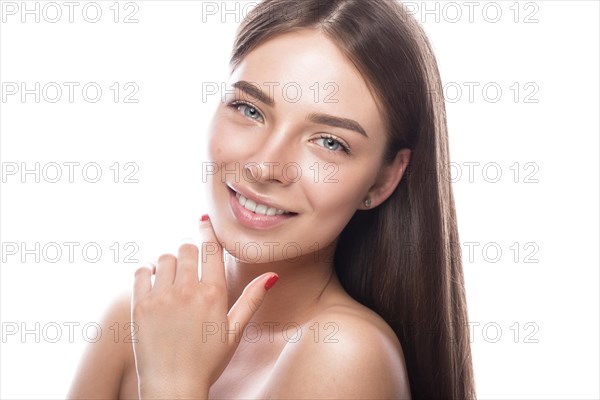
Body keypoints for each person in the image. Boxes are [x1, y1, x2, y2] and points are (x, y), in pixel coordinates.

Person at [68, 0, 475, 398]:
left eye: (329, 142)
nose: (265, 166)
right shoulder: (142, 317)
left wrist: (172, 384)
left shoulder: (345, 352)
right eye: (249, 110)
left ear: (383, 180)